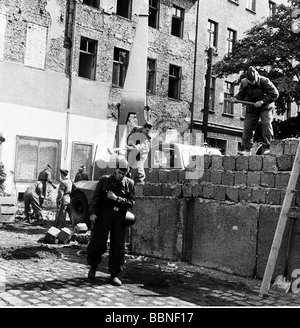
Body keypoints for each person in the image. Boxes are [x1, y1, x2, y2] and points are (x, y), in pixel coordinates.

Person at [87, 157, 135, 286]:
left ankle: (114, 274)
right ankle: (93, 267)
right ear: (115, 170)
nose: (121, 176)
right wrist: (92, 213)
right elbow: (95, 198)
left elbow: (131, 202)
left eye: (124, 174)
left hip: (119, 218)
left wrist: (117, 198)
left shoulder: (129, 183)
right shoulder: (104, 181)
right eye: (119, 173)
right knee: (97, 243)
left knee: (118, 247)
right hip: (104, 216)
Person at [231, 66, 279, 156]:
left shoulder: (265, 81)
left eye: (253, 81)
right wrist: (236, 98)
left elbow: (275, 94)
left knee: (266, 124)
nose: (252, 83)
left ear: (257, 76)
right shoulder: (244, 82)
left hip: (265, 107)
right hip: (251, 107)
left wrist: (262, 101)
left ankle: (267, 147)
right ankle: (247, 149)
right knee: (247, 127)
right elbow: (241, 94)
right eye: (250, 81)